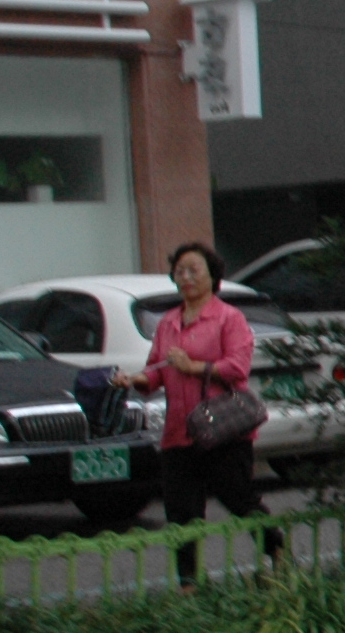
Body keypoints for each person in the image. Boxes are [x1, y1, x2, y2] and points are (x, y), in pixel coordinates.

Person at [116, 241, 286, 588]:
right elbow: (156, 370)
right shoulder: (168, 323)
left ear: (213, 276)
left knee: (238, 497)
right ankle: (189, 584)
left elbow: (237, 368)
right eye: (180, 271)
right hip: (179, 431)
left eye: (195, 270)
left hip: (222, 429)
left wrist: (193, 366)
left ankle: (275, 554)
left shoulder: (229, 318)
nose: (187, 277)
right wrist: (134, 380)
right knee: (181, 512)